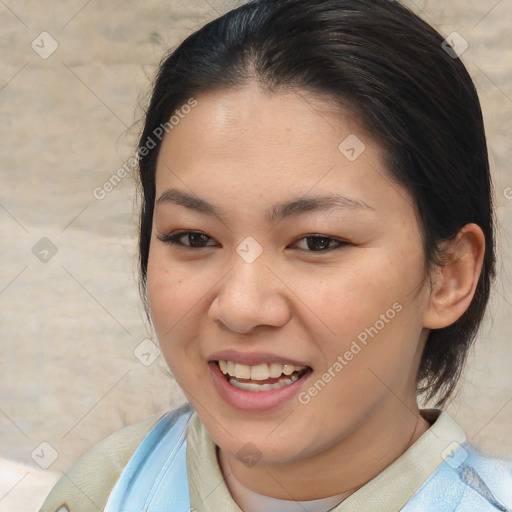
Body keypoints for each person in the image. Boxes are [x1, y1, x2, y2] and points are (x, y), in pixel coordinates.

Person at [40, 0, 512, 510]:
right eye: (194, 238)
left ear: (450, 274)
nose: (241, 308)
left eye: (317, 242)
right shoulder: (107, 490)